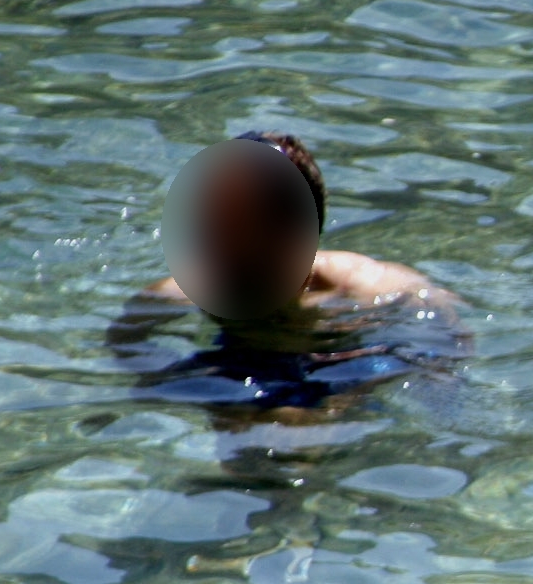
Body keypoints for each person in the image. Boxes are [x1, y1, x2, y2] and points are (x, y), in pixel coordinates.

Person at [112, 132, 464, 417]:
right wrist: (168, 379)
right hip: (237, 364)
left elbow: (446, 335)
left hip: (346, 368)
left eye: (240, 226)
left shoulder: (365, 285)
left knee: (290, 430)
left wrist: (367, 388)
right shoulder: (191, 288)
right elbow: (126, 335)